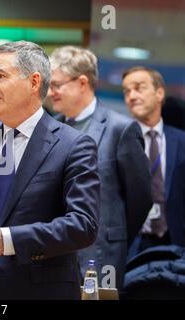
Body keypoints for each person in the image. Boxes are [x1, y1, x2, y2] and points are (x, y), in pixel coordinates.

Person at [0, 41, 100, 300]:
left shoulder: (73, 145)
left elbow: (83, 225)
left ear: (34, 82)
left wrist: (9, 240)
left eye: (0, 76)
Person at [48, 46, 152, 289]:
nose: (50, 92)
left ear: (82, 83)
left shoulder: (121, 129)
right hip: (55, 254)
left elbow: (141, 198)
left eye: (56, 85)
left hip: (101, 253)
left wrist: (113, 233)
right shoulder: (51, 128)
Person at [122, 66, 185, 256]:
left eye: (139, 88)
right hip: (131, 243)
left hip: (176, 242)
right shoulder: (119, 140)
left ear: (159, 93)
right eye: (126, 91)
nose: (131, 96)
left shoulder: (181, 141)